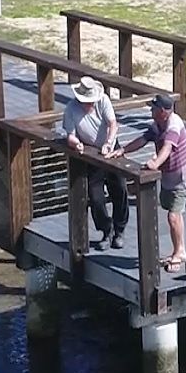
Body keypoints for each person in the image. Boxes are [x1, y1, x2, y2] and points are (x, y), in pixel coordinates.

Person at [122, 92, 186, 273]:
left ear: (163, 111)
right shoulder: (158, 124)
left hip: (181, 176)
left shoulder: (173, 126)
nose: (151, 110)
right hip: (167, 176)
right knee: (172, 212)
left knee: (173, 216)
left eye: (154, 108)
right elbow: (143, 139)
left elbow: (167, 148)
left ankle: (180, 252)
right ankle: (179, 247)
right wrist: (123, 150)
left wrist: (154, 163)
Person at [57, 75, 126, 250]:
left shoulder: (103, 101)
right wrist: (76, 144)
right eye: (87, 102)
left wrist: (109, 143)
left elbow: (112, 124)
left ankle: (119, 230)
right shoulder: (71, 109)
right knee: (96, 197)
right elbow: (70, 135)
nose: (91, 104)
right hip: (91, 153)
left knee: (120, 189)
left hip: (109, 148)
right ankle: (106, 229)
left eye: (92, 101)